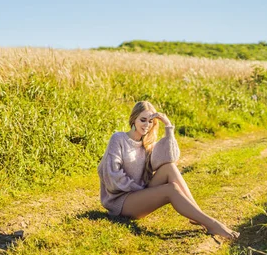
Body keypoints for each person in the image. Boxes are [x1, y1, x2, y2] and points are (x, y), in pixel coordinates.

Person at [98, 101, 239, 240]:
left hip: (138, 193)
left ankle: (199, 215)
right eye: (143, 120)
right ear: (133, 119)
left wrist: (168, 126)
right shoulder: (118, 139)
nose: (147, 125)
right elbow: (113, 176)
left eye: (150, 122)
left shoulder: (146, 144)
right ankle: (211, 223)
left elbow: (170, 158)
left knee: (169, 167)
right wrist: (140, 190)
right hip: (121, 202)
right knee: (171, 189)